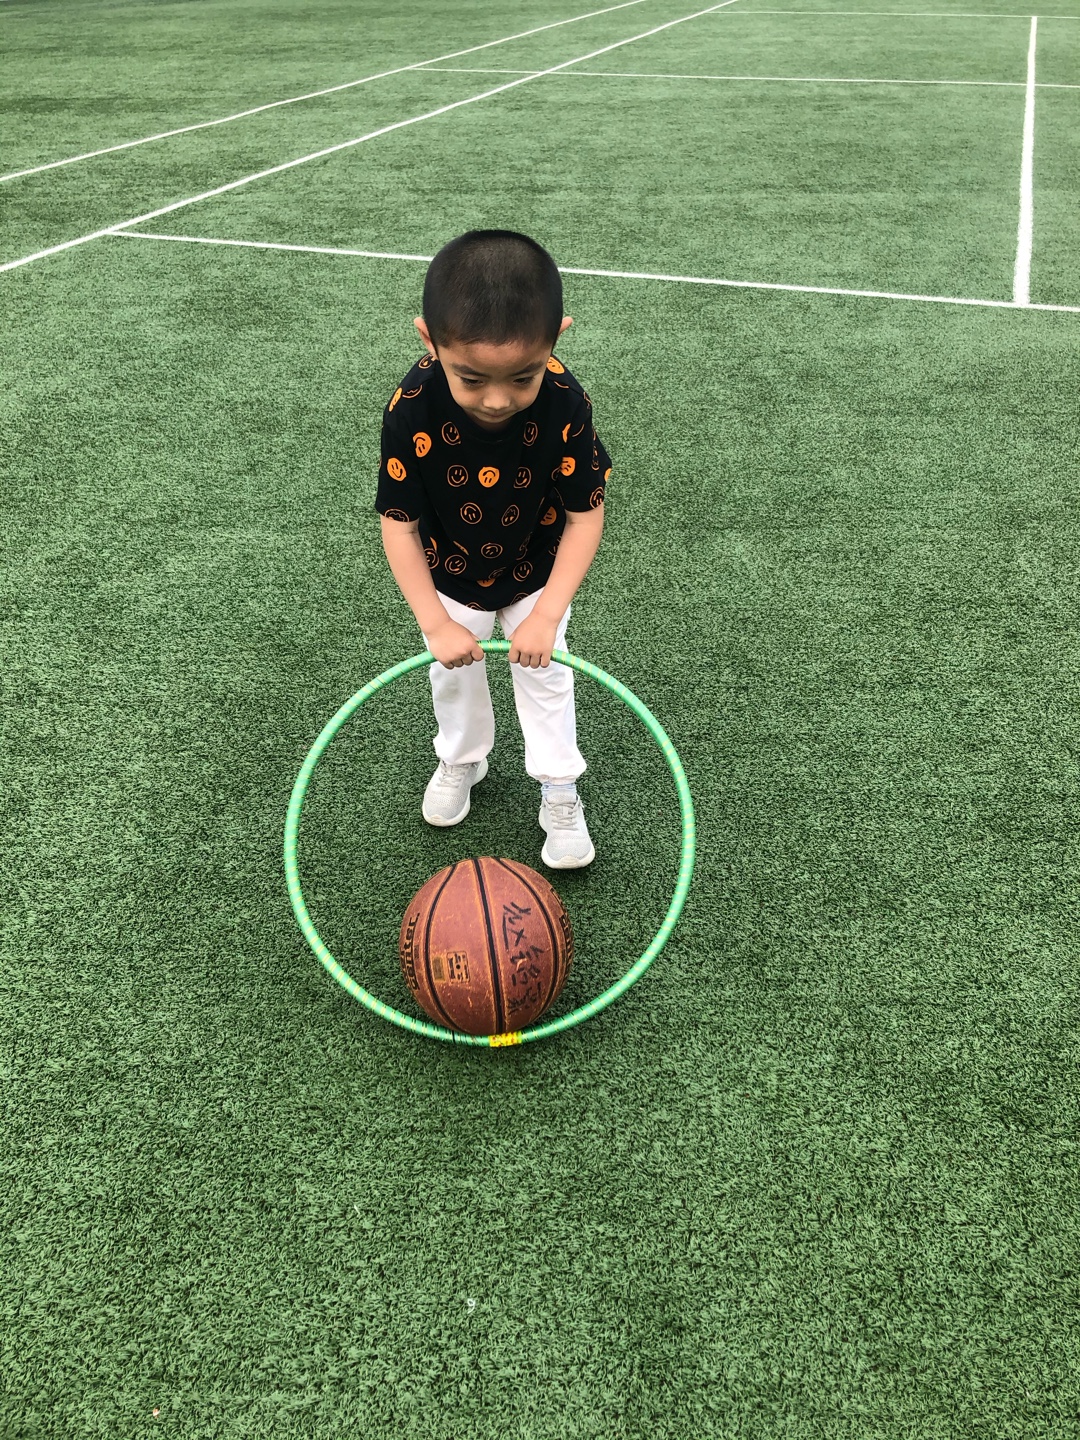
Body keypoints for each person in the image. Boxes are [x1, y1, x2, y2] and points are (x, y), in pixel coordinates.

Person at [376, 229, 611, 869]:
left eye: (523, 376)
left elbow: (585, 515)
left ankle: (559, 787)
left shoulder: (565, 402)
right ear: (430, 340)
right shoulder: (411, 409)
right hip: (451, 570)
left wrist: (547, 613)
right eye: (472, 377)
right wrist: (434, 624)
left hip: (536, 567)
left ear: (557, 337)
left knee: (547, 672)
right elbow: (399, 524)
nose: (498, 399)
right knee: (452, 672)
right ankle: (461, 759)